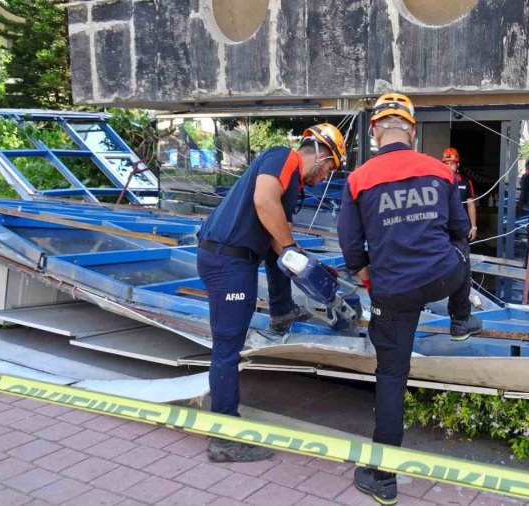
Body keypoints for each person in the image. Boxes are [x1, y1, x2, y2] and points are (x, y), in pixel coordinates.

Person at [338, 93, 482, 504]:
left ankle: (383, 479)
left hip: (393, 293)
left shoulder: (358, 178)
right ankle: (460, 319)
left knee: (391, 378)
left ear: (374, 131)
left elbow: (351, 245)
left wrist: (369, 277)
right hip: (443, 279)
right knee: (460, 250)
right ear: (413, 131)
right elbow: (459, 228)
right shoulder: (439, 171)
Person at [196, 123, 346, 462]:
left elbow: (280, 240)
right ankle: (223, 438)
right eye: (329, 170)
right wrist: (293, 251)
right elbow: (264, 203)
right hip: (227, 262)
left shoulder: (291, 183)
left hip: (233, 258)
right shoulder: (283, 158)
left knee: (284, 256)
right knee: (227, 350)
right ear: (321, 155)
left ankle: (282, 310)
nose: (325, 178)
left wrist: (311, 268)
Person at [442, 147, 478, 240]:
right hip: (443, 227)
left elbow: (471, 205)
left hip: (461, 227)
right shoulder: (438, 181)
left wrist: (474, 227)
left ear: (457, 164)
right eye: (446, 164)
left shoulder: (465, 182)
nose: (449, 166)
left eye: (452, 164)